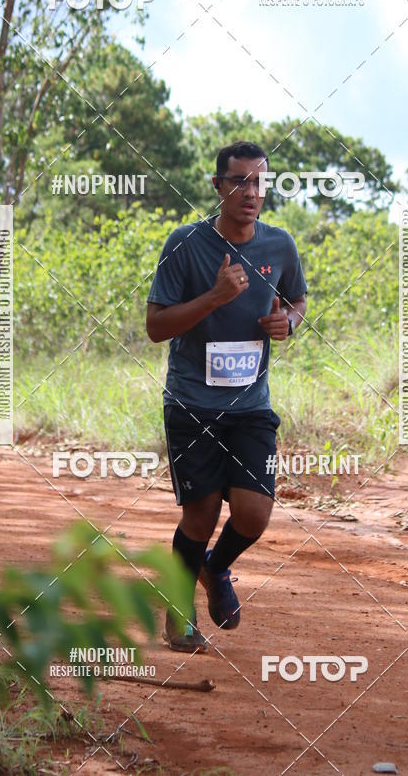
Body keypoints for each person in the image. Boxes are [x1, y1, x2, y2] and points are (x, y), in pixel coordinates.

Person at [146, 140, 307, 652]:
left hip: (251, 406)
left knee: (254, 514)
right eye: (239, 181)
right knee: (201, 514)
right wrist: (215, 297)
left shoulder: (279, 246)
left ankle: (215, 568)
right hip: (192, 404)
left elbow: (298, 299)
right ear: (218, 186)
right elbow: (155, 327)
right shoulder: (185, 244)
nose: (250, 192)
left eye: (259, 182)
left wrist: (288, 323)